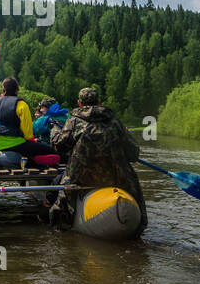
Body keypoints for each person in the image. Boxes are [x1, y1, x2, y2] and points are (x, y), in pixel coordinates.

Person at [49, 86, 147, 234]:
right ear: (99, 102)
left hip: (82, 179)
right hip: (116, 177)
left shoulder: (74, 121)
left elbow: (59, 146)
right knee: (134, 183)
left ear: (79, 103)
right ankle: (140, 225)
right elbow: (133, 154)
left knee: (63, 194)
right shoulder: (115, 122)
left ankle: (61, 227)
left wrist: (54, 130)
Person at [0, 77, 54, 163]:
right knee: (51, 150)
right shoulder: (21, 104)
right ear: (17, 90)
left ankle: (32, 159)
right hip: (16, 145)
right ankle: (34, 160)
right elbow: (28, 135)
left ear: (3, 90)